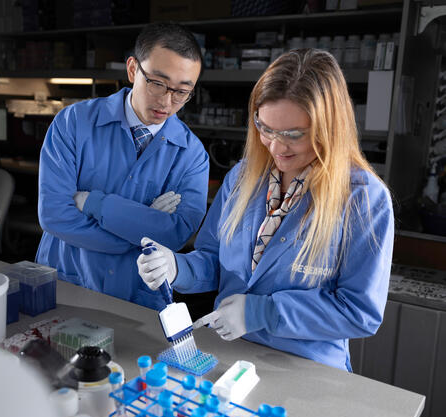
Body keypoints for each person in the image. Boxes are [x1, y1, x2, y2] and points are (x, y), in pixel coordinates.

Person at [137, 49, 394, 371]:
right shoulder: (244, 177)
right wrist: (176, 268)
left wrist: (260, 313)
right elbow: (214, 262)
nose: (275, 146)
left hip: (306, 369)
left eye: (293, 135)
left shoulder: (364, 199)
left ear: (330, 128)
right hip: (229, 356)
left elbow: (359, 312)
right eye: (265, 128)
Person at [36, 22, 209, 310]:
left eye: (181, 92)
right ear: (133, 70)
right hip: (68, 286)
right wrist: (138, 231)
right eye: (157, 83)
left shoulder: (192, 156)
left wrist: (95, 203)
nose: (167, 102)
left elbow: (174, 235)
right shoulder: (73, 123)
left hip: (138, 299)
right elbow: (54, 215)